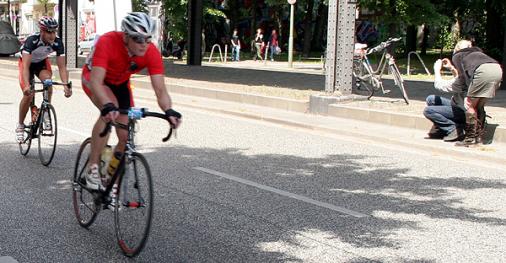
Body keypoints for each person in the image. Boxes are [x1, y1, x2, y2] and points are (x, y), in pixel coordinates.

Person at [81, 12, 182, 192]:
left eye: (147, 39)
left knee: (125, 137)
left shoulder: (151, 52)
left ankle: (110, 179)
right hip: (95, 79)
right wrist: (107, 106)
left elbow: (160, 89)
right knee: (110, 111)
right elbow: (96, 81)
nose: (143, 44)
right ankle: (93, 167)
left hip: (120, 83)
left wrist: (169, 110)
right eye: (138, 39)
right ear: (126, 36)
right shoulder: (108, 41)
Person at [16, 16, 72, 143]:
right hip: (27, 63)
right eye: (49, 32)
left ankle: (45, 110)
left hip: (41, 63)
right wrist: (26, 86)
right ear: (42, 31)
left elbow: (62, 67)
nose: (52, 35)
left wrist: (66, 86)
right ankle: (20, 125)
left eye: (54, 31)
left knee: (48, 81)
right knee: (29, 95)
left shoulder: (58, 42)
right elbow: (25, 67)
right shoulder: (32, 41)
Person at [450, 40, 503, 146]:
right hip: (497, 70)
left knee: (470, 105)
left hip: (482, 72)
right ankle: (479, 138)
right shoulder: (478, 53)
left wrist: (466, 94)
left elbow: (463, 77)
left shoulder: (458, 55)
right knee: (479, 106)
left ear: (457, 48)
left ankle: (470, 139)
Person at [423, 58, 466, 141]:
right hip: (459, 105)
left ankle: (454, 129)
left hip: (464, 111)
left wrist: (436, 69)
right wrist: (451, 68)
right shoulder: (469, 74)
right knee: (431, 99)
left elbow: (439, 85)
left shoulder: (463, 81)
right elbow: (457, 77)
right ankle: (441, 129)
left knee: (428, 111)